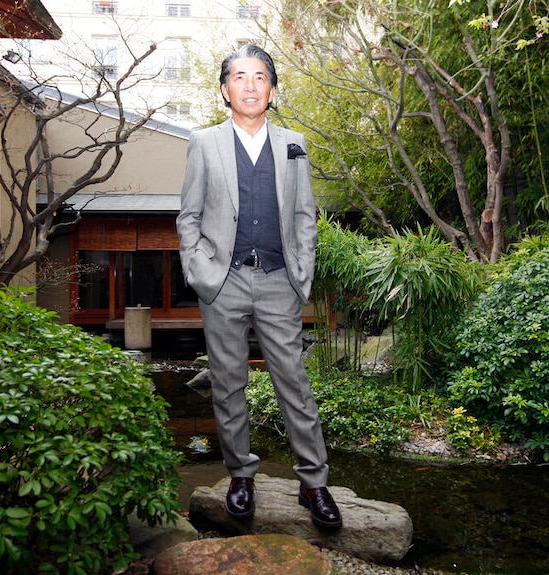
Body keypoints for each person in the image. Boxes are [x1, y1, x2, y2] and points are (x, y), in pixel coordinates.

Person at [176, 44, 342, 529]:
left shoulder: (294, 141)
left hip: (277, 281)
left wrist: (302, 274)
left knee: (294, 382)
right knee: (228, 385)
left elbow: (304, 215)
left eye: (260, 77)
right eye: (239, 77)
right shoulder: (204, 142)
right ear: (225, 89)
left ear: (272, 88)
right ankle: (240, 477)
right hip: (221, 282)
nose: (250, 85)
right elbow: (188, 215)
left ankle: (314, 484)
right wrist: (200, 267)